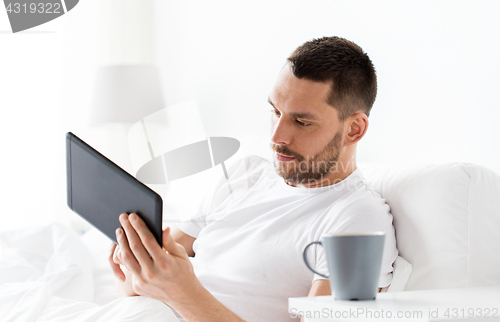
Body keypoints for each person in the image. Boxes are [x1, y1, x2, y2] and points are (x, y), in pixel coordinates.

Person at [108, 36, 398, 322]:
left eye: (302, 122)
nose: (276, 137)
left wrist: (180, 291)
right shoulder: (248, 172)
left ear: (354, 129)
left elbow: (179, 287)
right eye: (275, 111)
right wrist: (135, 273)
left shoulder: (362, 222)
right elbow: (170, 258)